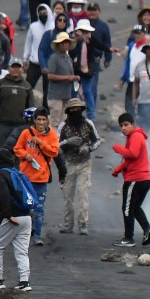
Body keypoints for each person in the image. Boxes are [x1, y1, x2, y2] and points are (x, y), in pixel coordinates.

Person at [0, 145, 36, 292]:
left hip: (12, 216)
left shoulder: (1, 174)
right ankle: (24, 282)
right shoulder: (17, 173)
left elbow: (4, 195)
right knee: (22, 251)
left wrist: (7, 215)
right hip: (27, 217)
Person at [13, 107, 60, 245]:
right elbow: (17, 148)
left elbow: (54, 152)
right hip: (26, 178)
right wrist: (25, 155)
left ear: (47, 121)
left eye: (44, 119)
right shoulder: (26, 133)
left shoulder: (52, 135)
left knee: (39, 209)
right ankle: (23, 236)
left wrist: (41, 143)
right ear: (34, 120)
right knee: (24, 208)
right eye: (38, 119)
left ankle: (37, 236)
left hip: (41, 178)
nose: (41, 122)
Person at [55, 97, 99, 236]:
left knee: (83, 194)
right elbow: (55, 145)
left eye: (77, 110)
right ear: (68, 111)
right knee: (68, 196)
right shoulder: (63, 126)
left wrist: (89, 148)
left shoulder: (88, 124)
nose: (75, 112)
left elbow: (97, 140)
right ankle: (68, 223)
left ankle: (83, 224)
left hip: (85, 163)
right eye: (72, 110)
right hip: (67, 164)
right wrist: (68, 142)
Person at [112, 112, 150, 246]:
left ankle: (128, 238)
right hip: (145, 179)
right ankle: (147, 230)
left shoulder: (135, 136)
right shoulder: (135, 136)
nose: (123, 128)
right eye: (121, 126)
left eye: (126, 125)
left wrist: (118, 148)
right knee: (135, 208)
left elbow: (133, 154)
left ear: (133, 125)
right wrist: (119, 169)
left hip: (136, 179)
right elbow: (131, 159)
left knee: (127, 208)